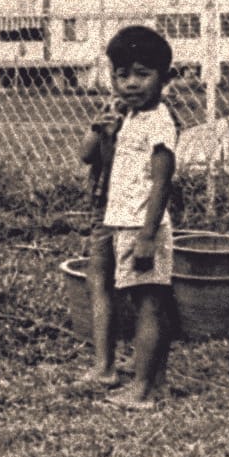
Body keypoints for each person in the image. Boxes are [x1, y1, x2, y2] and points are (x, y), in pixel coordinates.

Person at [75, 24, 177, 408]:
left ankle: (143, 390)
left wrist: (148, 235)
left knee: (149, 301)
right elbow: (89, 155)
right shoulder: (129, 115)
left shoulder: (160, 122)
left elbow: (162, 181)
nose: (131, 83)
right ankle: (153, 382)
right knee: (145, 300)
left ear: (164, 79)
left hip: (140, 225)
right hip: (124, 221)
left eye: (142, 74)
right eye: (122, 75)